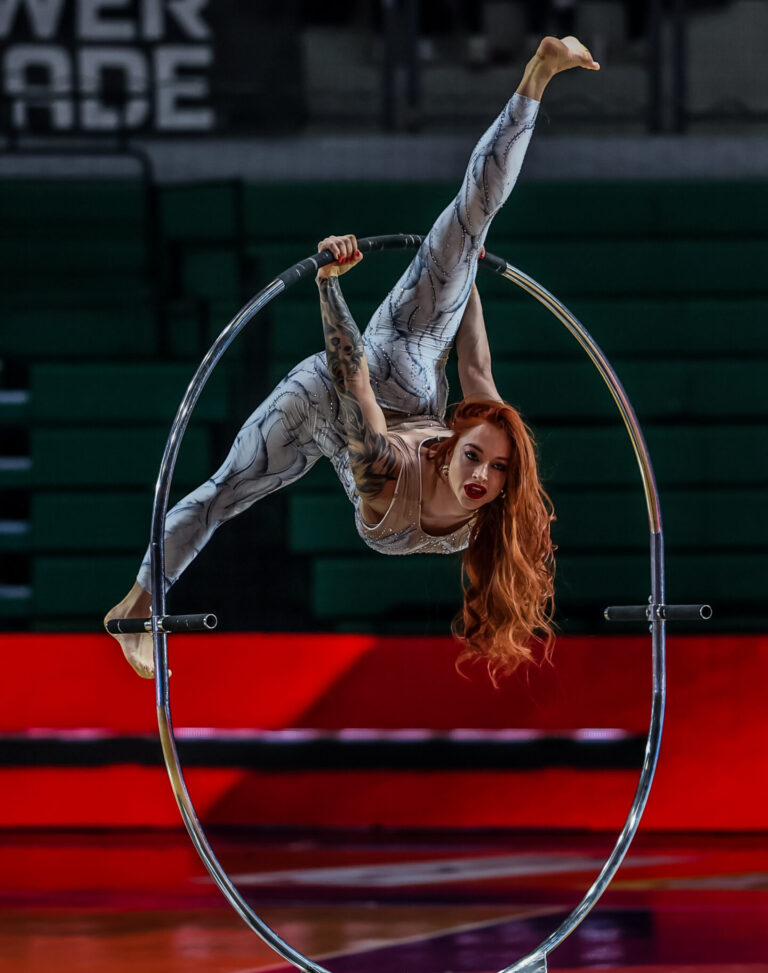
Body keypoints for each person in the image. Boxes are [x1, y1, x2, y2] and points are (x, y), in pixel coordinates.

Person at [105, 35, 600, 682]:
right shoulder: (396, 462)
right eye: (476, 454)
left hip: (369, 413)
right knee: (227, 491)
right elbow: (356, 377)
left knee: (460, 246)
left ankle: (500, 158)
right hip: (346, 388)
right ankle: (136, 607)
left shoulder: (447, 502)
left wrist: (463, 276)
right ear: (455, 442)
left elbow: (470, 376)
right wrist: (331, 282)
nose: (481, 471)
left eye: (493, 467)